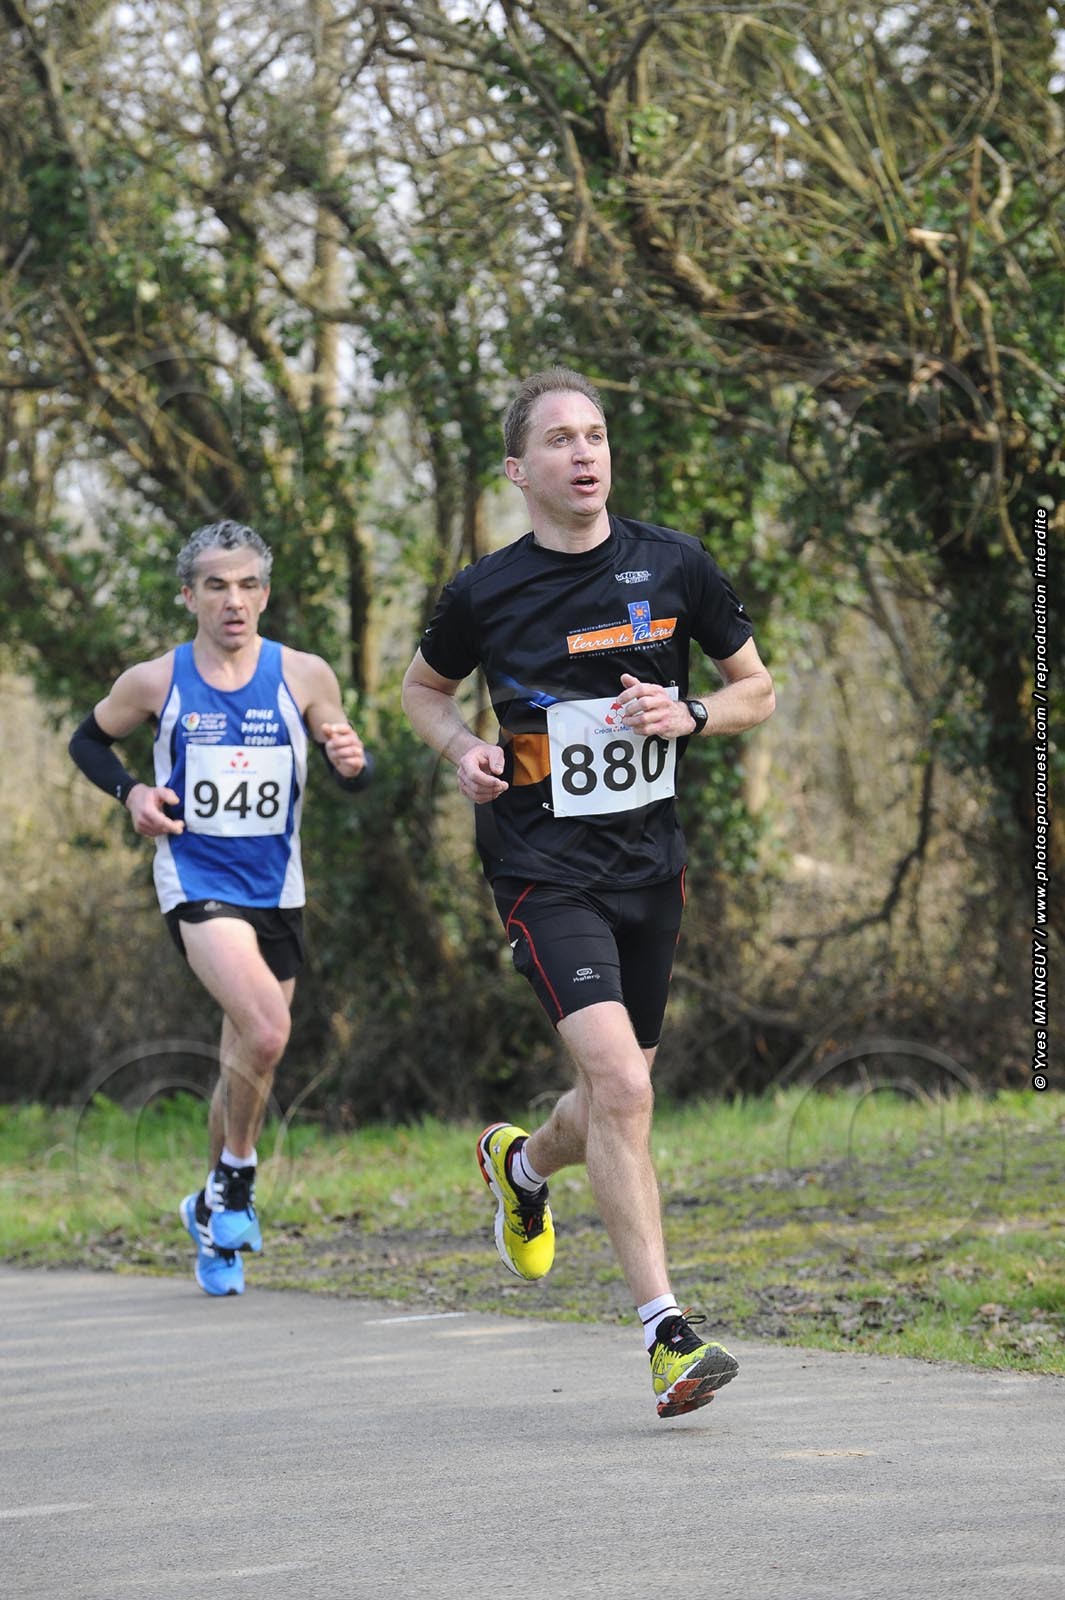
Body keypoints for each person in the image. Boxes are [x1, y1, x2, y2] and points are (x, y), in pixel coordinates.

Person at [402, 368, 775, 1417]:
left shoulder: (674, 563)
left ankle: (522, 1167)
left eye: (596, 435)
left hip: (650, 867)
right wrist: (465, 749)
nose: (584, 454)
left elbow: (757, 688)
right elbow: (422, 692)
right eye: (560, 439)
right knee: (623, 1086)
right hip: (541, 868)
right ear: (518, 469)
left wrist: (690, 713)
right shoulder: (484, 591)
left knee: (616, 1097)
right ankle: (667, 1335)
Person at [69, 520, 372, 1298]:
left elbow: (347, 765)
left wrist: (352, 762)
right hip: (196, 879)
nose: (233, 600)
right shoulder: (155, 682)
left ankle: (207, 1215)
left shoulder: (304, 674)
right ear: (189, 596)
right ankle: (236, 1178)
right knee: (267, 1030)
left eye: (247, 585)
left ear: (264, 595)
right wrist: (133, 793)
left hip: (278, 887)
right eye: (215, 586)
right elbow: (87, 742)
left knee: (245, 1058)